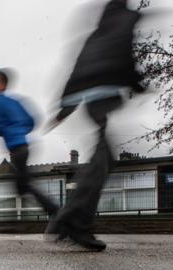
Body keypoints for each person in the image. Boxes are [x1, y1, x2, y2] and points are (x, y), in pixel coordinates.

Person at [45, 0, 145, 251]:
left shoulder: (95, 34)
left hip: (87, 99)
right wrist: (137, 83)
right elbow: (125, 54)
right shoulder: (126, 19)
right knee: (103, 157)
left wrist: (63, 109)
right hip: (104, 94)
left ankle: (72, 219)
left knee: (104, 157)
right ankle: (72, 218)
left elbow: (75, 69)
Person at [0, 68, 59, 218]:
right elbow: (32, 121)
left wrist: (8, 131)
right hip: (23, 148)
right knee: (20, 185)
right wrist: (19, 131)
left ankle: (56, 211)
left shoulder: (0, 102)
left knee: (24, 185)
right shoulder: (15, 102)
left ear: (2, 84)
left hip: (17, 150)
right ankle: (16, 223)